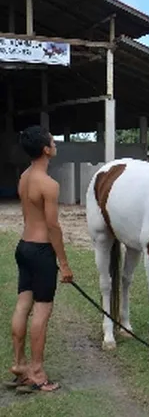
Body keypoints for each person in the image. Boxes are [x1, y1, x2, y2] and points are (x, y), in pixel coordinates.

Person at [6, 125, 73, 393]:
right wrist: (64, 264)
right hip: (42, 250)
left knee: (23, 304)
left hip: (23, 246)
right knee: (42, 311)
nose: (55, 145)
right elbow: (53, 226)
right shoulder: (49, 184)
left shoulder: (24, 177)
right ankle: (36, 371)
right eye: (53, 142)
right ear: (46, 149)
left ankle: (19, 365)